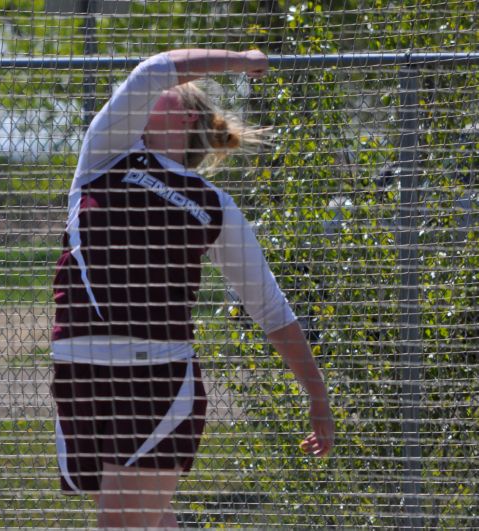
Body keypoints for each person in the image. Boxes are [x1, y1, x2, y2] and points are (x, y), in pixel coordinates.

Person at [49, 49, 335, 528]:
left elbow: (269, 308)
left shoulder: (213, 204)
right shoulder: (106, 152)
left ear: (181, 110)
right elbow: (151, 72)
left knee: (122, 525)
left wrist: (317, 395)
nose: (138, 95)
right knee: (151, 522)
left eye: (166, 92)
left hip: (155, 379)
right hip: (80, 373)